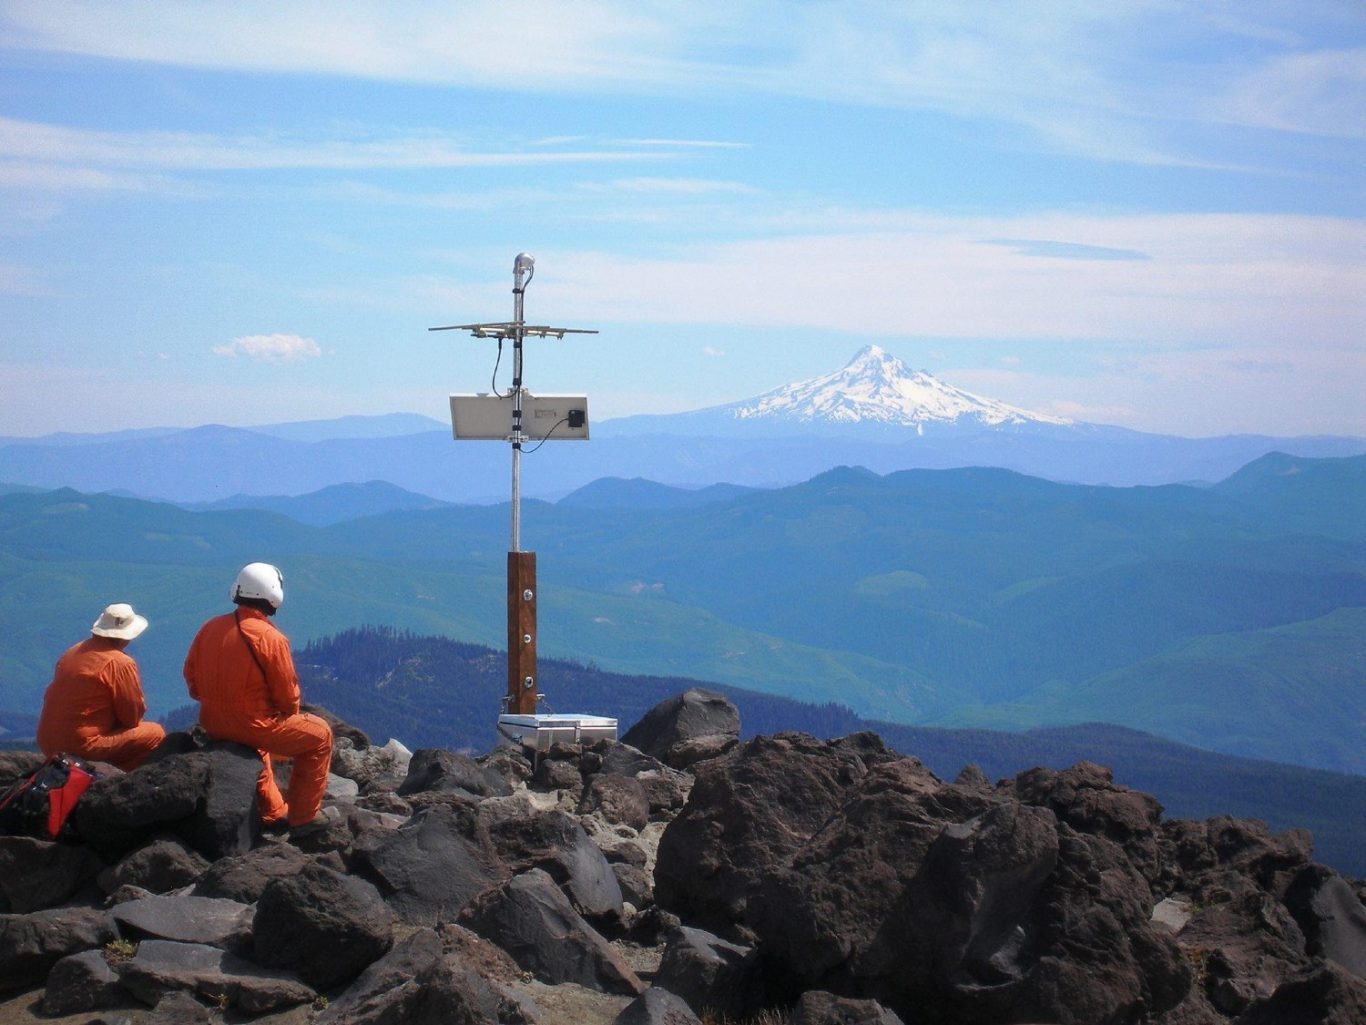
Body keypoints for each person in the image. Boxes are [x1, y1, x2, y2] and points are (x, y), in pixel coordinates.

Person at [182, 562, 333, 830]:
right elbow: (288, 698)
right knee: (320, 736)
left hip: (212, 723)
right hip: (252, 726)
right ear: (273, 593)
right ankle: (304, 818)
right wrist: (279, 715)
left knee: (256, 745)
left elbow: (192, 681)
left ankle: (273, 811)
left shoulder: (209, 627)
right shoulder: (271, 638)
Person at [37, 603, 166, 771]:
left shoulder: (72, 651)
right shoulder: (120, 663)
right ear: (125, 637)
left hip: (47, 742)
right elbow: (131, 717)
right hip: (80, 746)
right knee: (155, 733)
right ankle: (120, 778)